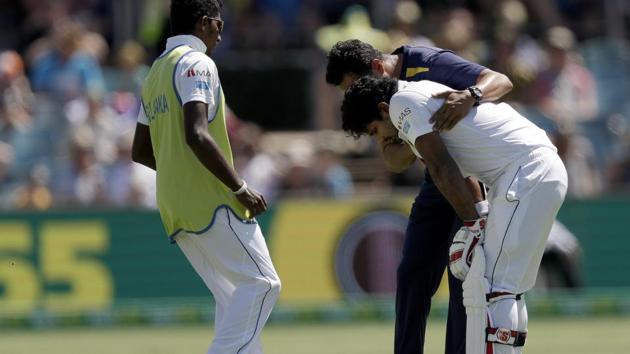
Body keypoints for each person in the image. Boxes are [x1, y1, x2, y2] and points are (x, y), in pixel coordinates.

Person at [341, 76, 568, 354]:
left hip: (525, 173)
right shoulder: (421, 93)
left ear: (383, 109)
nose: (382, 140)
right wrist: (480, 216)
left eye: (375, 130)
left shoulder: (402, 104)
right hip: (535, 169)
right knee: (509, 288)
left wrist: (474, 225)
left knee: (496, 288)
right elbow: (460, 170)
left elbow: (441, 169)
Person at [326, 39, 513, 354]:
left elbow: (501, 81)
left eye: (354, 85)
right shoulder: (381, 103)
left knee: (463, 276)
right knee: (412, 272)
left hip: (473, 175)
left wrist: (471, 95)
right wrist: (391, 135)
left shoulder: (425, 62)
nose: (354, 96)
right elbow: (396, 162)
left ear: (375, 68)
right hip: (437, 178)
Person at [130, 1, 281, 353]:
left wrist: (180, 173)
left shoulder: (155, 73)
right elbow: (196, 133)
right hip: (213, 203)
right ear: (204, 24)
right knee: (263, 284)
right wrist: (239, 187)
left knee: (233, 300)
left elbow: (140, 150)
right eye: (219, 24)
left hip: (175, 207)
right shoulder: (197, 62)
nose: (221, 32)